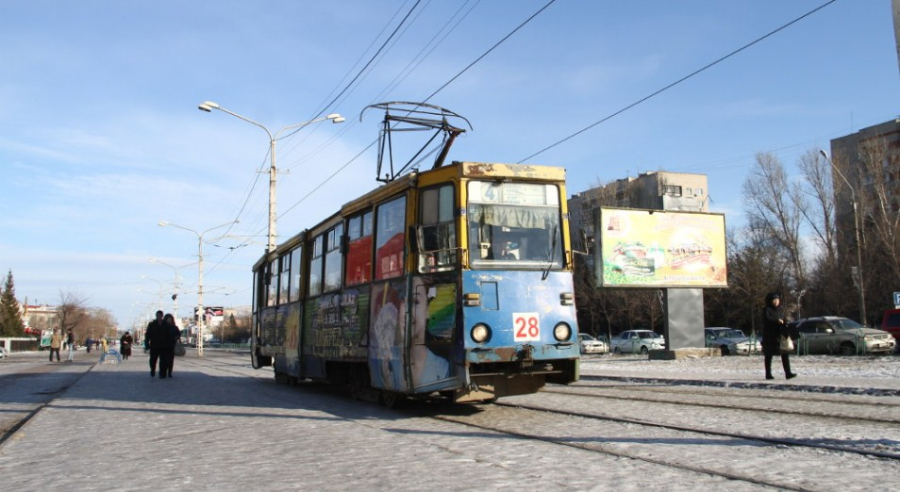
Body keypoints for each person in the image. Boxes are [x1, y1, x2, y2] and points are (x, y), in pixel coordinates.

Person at [762, 292, 797, 380]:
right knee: (769, 355)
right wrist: (777, 321)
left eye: (777, 300)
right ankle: (768, 374)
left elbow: (784, 319)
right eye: (774, 300)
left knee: (785, 354)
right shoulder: (766, 310)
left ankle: (788, 373)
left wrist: (786, 323)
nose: (776, 302)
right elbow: (768, 320)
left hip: (780, 335)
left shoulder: (779, 310)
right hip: (770, 336)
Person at [145, 310, 166, 378]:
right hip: (154, 345)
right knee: (153, 359)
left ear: (162, 316)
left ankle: (162, 373)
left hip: (163, 345)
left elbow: (168, 335)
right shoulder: (152, 324)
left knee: (163, 360)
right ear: (156, 316)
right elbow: (148, 335)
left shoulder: (165, 324)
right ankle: (153, 370)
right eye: (157, 315)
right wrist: (147, 344)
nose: (158, 317)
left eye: (160, 315)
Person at [161, 313, 181, 379]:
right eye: (167, 319)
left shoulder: (175, 327)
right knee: (164, 360)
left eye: (170, 319)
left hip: (172, 345)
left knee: (170, 360)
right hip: (163, 346)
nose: (169, 321)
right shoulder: (162, 327)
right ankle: (163, 373)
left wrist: (176, 337)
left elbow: (178, 334)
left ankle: (169, 372)